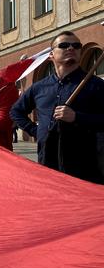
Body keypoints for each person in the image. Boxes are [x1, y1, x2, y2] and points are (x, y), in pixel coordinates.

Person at [11, 31, 104, 183]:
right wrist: (37, 131)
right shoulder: (39, 87)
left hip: (86, 165)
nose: (71, 48)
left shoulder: (96, 85)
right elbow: (16, 111)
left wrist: (77, 117)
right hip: (48, 162)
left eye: (76, 46)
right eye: (64, 45)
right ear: (51, 55)